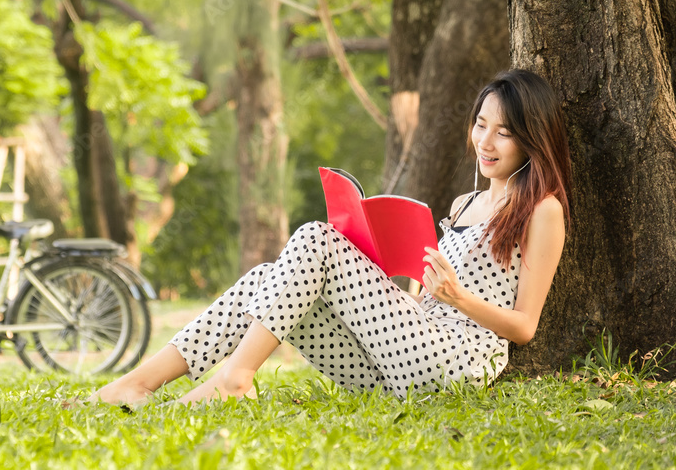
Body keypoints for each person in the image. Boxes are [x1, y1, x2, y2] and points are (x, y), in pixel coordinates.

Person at [93, 69, 572, 406]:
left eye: (504, 132)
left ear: (532, 137)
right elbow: (424, 299)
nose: (485, 142)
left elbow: (525, 327)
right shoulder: (462, 206)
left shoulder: (542, 210)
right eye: (480, 125)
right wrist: (382, 270)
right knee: (268, 278)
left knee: (315, 238)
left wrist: (459, 297)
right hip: (398, 360)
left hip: (455, 362)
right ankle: (139, 382)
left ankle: (235, 378)